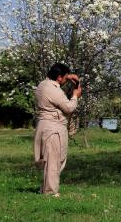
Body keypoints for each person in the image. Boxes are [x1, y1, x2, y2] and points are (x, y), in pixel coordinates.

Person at [33, 63, 82, 197]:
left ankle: (46, 188)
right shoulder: (54, 90)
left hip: (44, 125)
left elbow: (56, 93)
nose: (67, 80)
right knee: (54, 161)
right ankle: (50, 192)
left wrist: (70, 76)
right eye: (65, 77)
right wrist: (75, 96)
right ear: (59, 77)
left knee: (49, 161)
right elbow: (68, 108)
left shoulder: (42, 85)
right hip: (53, 128)